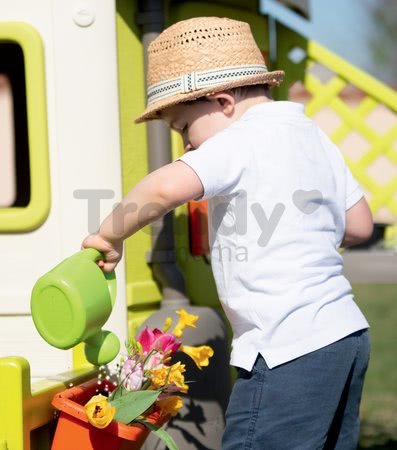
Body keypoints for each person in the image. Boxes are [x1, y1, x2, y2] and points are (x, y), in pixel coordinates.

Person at [82, 16, 373, 450]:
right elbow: (360, 224)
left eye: (183, 128)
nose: (186, 146)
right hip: (346, 336)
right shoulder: (313, 134)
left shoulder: (237, 140)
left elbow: (163, 188)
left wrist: (109, 236)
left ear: (222, 103)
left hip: (285, 347)